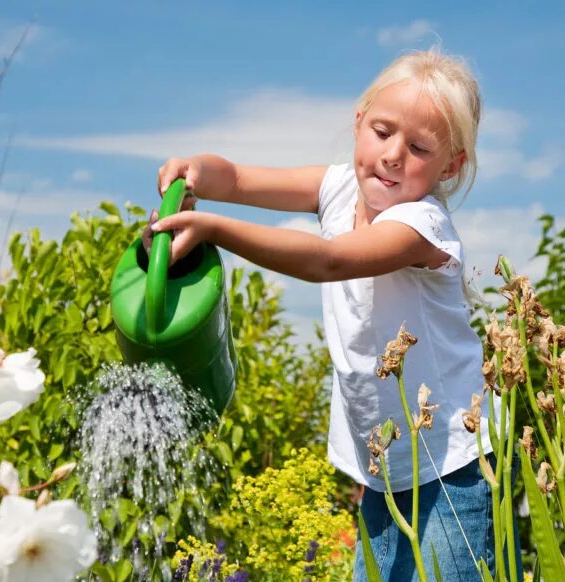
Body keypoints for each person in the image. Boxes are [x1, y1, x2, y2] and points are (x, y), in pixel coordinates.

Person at [151, 49, 522, 581]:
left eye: (418, 147)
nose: (392, 154)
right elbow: (232, 179)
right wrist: (194, 173)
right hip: (383, 471)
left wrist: (215, 230)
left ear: (452, 166)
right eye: (382, 131)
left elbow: (328, 261)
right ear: (358, 123)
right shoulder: (337, 186)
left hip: (454, 468)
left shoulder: (423, 225)